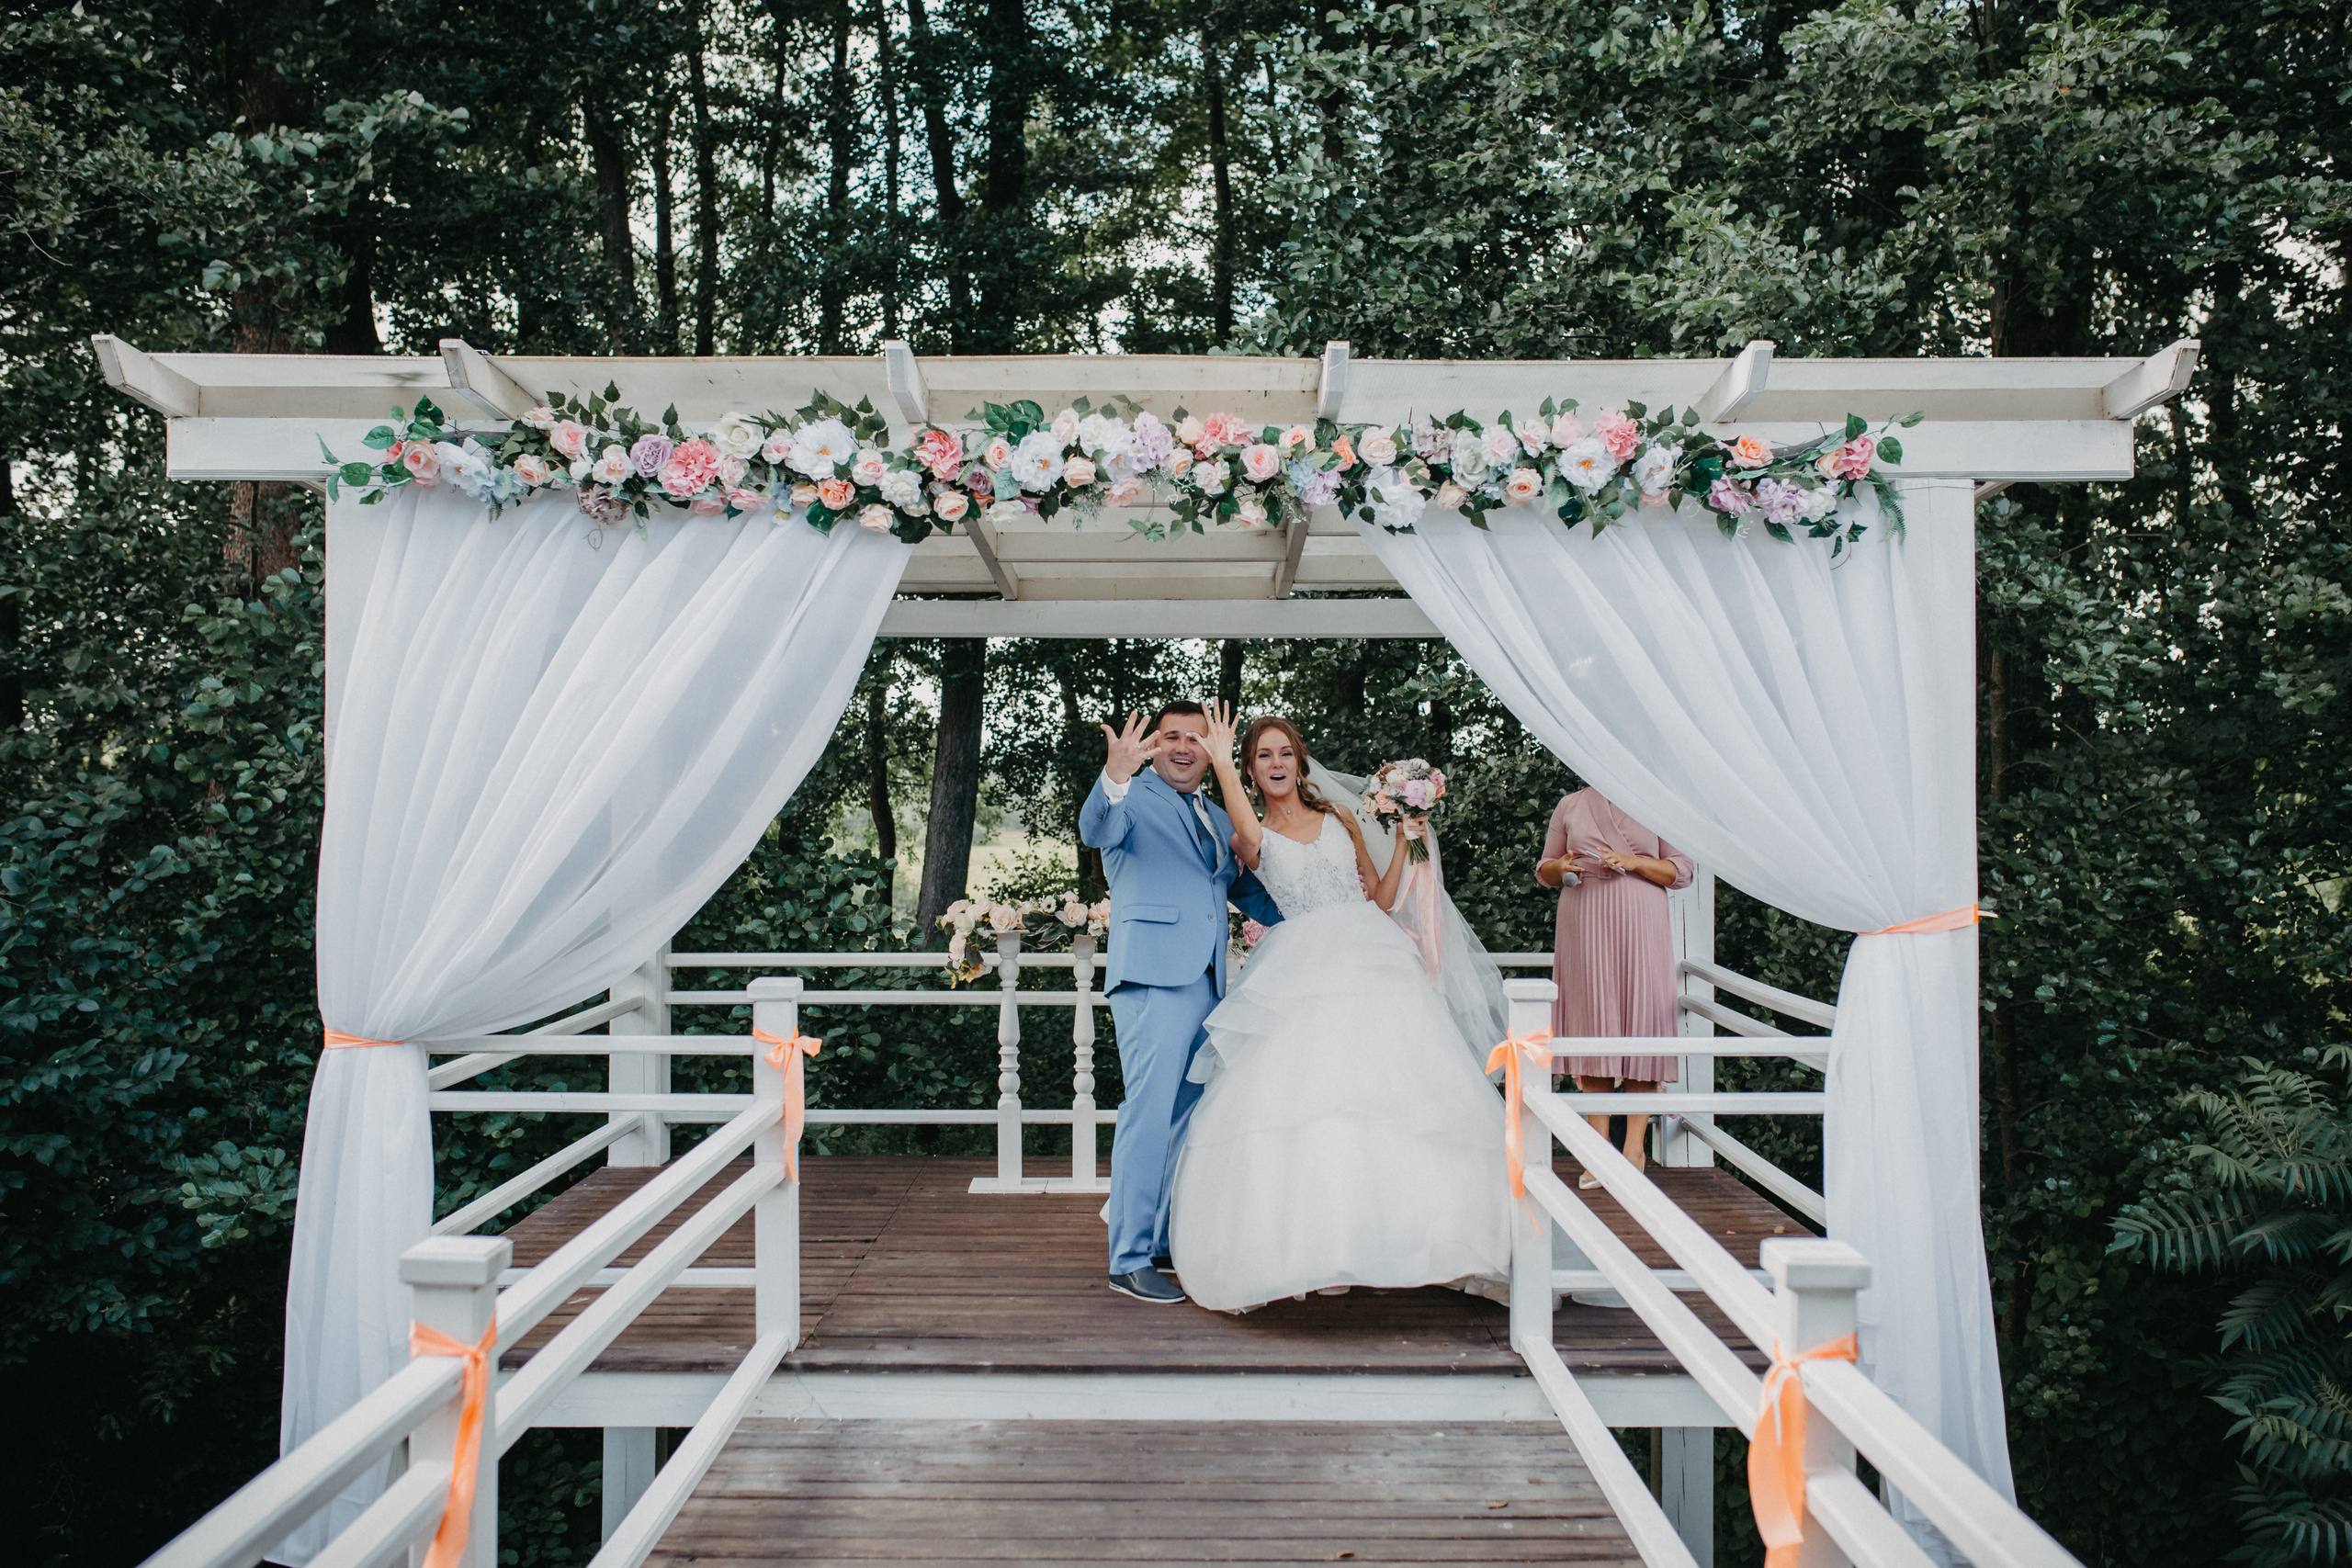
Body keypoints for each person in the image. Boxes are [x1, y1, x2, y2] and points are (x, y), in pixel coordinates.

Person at [1166, 707, 1511, 1314]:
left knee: (1400, 1100)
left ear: (1300, 762)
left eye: (1284, 753)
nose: (1275, 764)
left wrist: (1406, 839)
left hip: (1372, 953)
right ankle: (1324, 1249)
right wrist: (1219, 758)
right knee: (1314, 1107)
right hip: (1302, 962)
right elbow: (1244, 824)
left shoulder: (1339, 816)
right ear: (1249, 768)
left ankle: (1424, 1243)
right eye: (1262, 756)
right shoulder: (1250, 835)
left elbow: (1379, 896)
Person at [1080, 701, 1283, 1303]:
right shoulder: (1131, 800)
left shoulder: (1220, 817)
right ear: (1154, 746)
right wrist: (1114, 776)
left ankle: (1162, 1236)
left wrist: (1336, 909)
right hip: (1151, 977)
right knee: (1147, 1111)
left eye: (1197, 737)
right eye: (1172, 736)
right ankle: (1128, 1257)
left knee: (1183, 1117)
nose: (1185, 747)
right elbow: (1096, 828)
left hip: (1208, 982)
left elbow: (1259, 897)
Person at [1535, 788, 1694, 1188]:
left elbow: (1682, 871)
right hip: (1585, 921)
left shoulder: (1656, 801)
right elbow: (1544, 870)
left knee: (1642, 1025)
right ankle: (1597, 1150)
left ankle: (1634, 1150)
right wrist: (1560, 868)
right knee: (1595, 1029)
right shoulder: (1570, 804)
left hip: (1642, 922)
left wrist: (1634, 862)